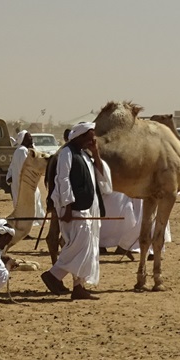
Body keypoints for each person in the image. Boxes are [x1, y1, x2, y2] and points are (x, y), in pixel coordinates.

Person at [41, 122, 113, 300]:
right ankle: (54, 274)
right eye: (90, 137)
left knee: (86, 249)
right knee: (77, 246)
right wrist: (66, 206)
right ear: (80, 136)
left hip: (89, 209)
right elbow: (62, 180)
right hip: (75, 210)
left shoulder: (85, 155)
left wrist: (96, 153)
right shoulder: (67, 153)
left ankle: (78, 287)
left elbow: (103, 178)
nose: (93, 140)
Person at [6, 131, 45, 220]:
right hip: (23, 182)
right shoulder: (22, 150)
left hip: (21, 181)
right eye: (28, 137)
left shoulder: (22, 149)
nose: (31, 139)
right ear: (23, 139)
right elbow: (26, 166)